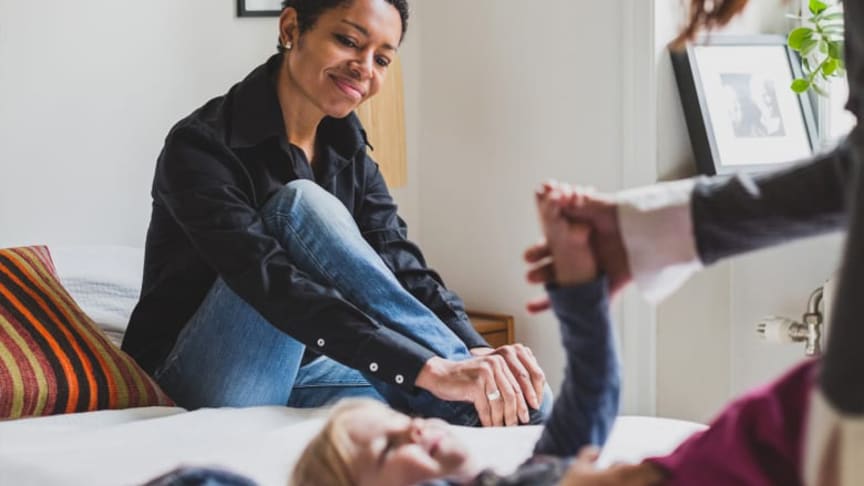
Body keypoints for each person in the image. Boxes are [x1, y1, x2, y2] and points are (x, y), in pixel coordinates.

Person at [121, 0, 550, 428]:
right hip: (190, 378)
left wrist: (474, 351)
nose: (364, 68)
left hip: (305, 369)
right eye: (347, 41)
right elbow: (271, 284)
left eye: (382, 59)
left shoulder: (349, 150)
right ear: (291, 28)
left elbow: (401, 265)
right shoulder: (200, 146)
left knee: (526, 399)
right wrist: (428, 368)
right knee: (300, 203)